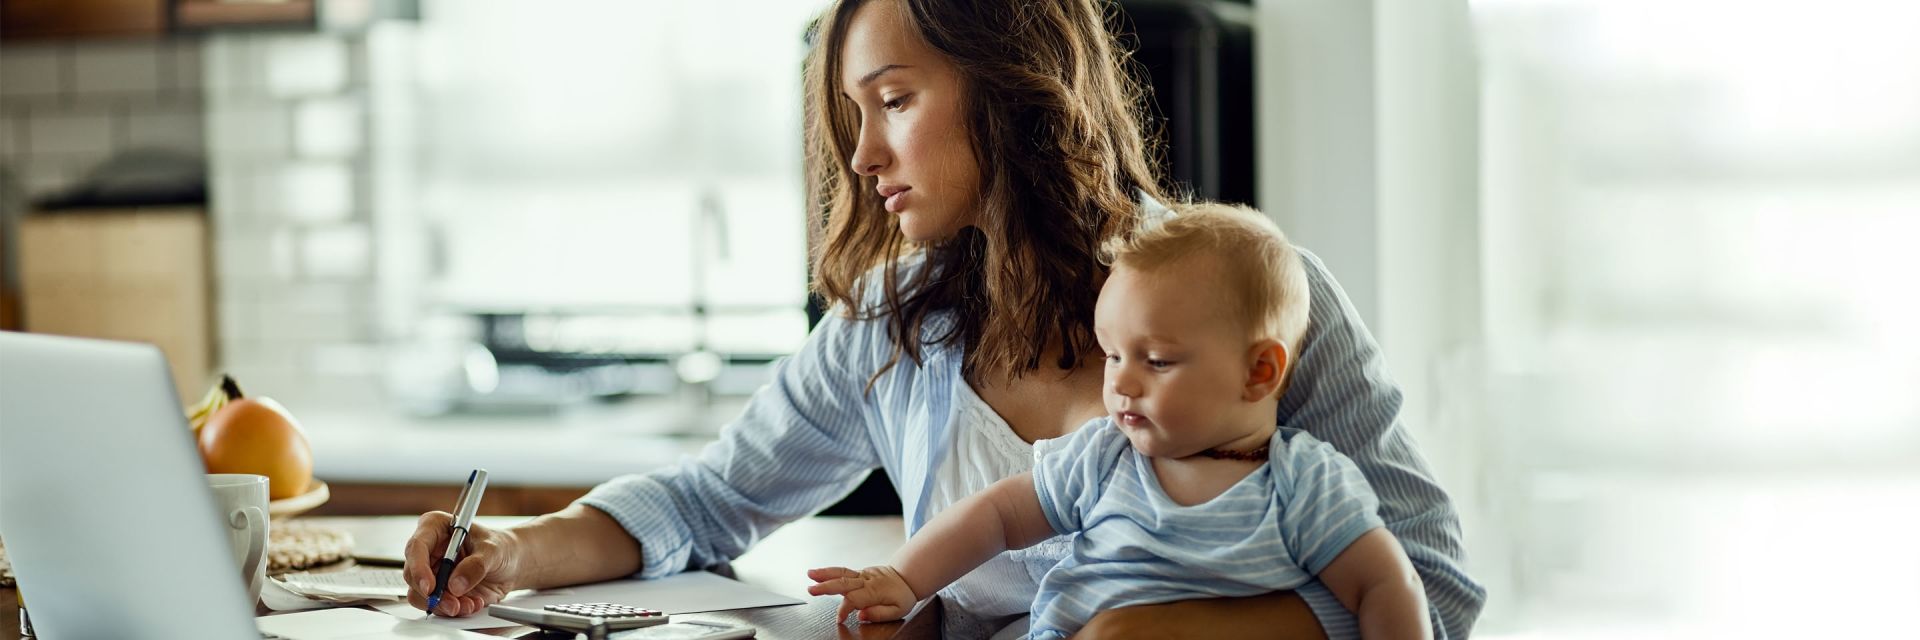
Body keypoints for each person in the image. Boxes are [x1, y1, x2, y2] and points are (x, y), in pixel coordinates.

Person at [401, 1, 1486, 637]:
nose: (864, 156)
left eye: (896, 100)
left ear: (1013, 84)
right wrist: (513, 551)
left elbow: (1433, 577)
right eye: (852, 115)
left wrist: (1140, 635)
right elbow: (707, 500)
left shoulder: (1266, 302)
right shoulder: (892, 325)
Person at [806, 203, 1433, 640]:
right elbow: (997, 516)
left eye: (1156, 360)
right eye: (1112, 355)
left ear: (1260, 373)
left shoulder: (1303, 485)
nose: (1121, 382)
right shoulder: (1106, 457)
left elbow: (1388, 586)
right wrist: (904, 577)